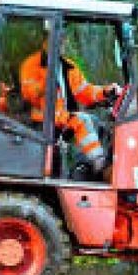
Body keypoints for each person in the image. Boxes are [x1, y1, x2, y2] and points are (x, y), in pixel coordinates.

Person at [19, 38, 119, 174]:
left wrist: (105, 92)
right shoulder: (32, 65)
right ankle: (100, 165)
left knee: (96, 123)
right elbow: (31, 95)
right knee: (80, 120)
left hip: (60, 117)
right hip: (41, 118)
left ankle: (85, 169)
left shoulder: (67, 66)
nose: (63, 43)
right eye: (58, 40)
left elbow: (84, 91)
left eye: (63, 40)